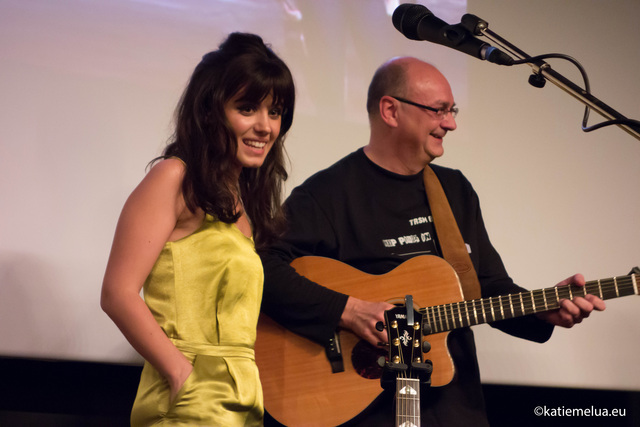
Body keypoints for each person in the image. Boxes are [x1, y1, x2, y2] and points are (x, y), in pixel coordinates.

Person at [259, 56, 605, 426]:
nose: (451, 123)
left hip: (455, 406)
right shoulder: (326, 194)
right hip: (367, 408)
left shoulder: (455, 190)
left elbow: (485, 287)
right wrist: (349, 309)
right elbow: (264, 270)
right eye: (439, 110)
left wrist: (540, 310)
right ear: (390, 110)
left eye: (452, 110)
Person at [100, 32, 295, 426]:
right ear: (211, 111)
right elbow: (117, 293)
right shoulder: (174, 177)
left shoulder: (241, 203)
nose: (265, 127)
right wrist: (181, 373)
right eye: (247, 108)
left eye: (274, 112)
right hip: (191, 404)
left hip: (242, 403)